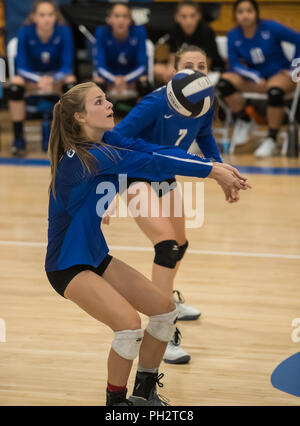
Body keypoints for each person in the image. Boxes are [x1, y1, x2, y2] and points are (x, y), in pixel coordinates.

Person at [45, 81, 251, 406]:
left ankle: (145, 394)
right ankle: (117, 404)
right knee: (128, 325)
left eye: (106, 97)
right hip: (66, 265)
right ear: (81, 117)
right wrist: (211, 172)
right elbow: (152, 164)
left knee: (164, 311)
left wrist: (213, 165)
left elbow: (154, 151)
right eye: (99, 101)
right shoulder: (88, 156)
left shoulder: (107, 140)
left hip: (95, 256)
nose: (109, 103)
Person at [109, 45, 240, 366]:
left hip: (165, 175)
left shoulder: (204, 100)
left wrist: (222, 169)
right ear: (172, 71)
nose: (196, 71)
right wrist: (109, 188)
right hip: (134, 175)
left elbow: (205, 134)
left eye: (201, 65)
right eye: (188, 65)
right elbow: (114, 139)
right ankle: (161, 327)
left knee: (179, 244)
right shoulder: (156, 101)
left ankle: (166, 297)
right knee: (166, 246)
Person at [217, 0, 300, 157]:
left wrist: (293, 69)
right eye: (240, 11)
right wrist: (255, 77)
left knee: (274, 91)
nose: (245, 15)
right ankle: (245, 120)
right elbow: (234, 64)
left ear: (256, 13)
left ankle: (272, 139)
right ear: (235, 15)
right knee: (224, 83)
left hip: (278, 75)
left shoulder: (271, 27)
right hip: (255, 78)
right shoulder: (233, 35)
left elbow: (298, 39)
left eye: (249, 11)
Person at [8, 0, 76, 157]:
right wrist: (38, 80)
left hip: (56, 78)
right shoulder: (25, 31)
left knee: (71, 85)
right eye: (42, 15)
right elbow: (22, 67)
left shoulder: (64, 31)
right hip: (32, 78)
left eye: (50, 15)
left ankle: (68, 138)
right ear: (34, 17)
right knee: (15, 86)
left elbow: (67, 66)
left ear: (56, 17)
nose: (47, 19)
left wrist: (53, 79)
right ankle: (18, 139)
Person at [93, 2, 152, 103]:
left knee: (144, 82)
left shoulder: (140, 31)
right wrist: (113, 79)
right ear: (109, 19)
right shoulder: (101, 32)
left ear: (130, 20)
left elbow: (142, 65)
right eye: (116, 16)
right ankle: (101, 112)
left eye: (125, 16)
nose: (121, 20)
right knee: (98, 81)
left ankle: (143, 111)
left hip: (131, 75)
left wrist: (126, 79)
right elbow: (99, 65)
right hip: (110, 76)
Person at [154, 1, 224, 85]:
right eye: (183, 16)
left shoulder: (207, 31)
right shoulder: (175, 29)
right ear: (176, 17)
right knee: (157, 70)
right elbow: (172, 58)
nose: (188, 20)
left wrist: (181, 74)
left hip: (206, 70)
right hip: (182, 68)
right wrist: (171, 70)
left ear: (199, 15)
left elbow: (206, 65)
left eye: (192, 16)